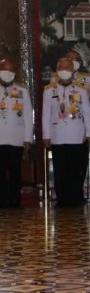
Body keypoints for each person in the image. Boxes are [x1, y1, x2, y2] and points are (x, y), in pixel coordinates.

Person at [42, 57, 90, 207]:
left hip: (77, 135)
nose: (64, 71)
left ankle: (76, 198)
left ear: (73, 71)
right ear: (57, 71)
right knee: (60, 170)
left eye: (68, 68)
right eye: (62, 68)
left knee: (76, 169)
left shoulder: (81, 90)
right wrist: (46, 136)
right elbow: (45, 114)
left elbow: (87, 113)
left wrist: (89, 133)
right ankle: (62, 199)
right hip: (57, 135)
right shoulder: (49, 90)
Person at [0, 58, 33, 208]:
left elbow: (27, 116)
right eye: (4, 69)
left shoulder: (22, 91)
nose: (7, 73)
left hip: (16, 138)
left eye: (10, 70)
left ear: (15, 73)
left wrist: (27, 138)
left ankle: (14, 199)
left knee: (15, 171)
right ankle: (2, 200)